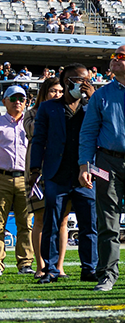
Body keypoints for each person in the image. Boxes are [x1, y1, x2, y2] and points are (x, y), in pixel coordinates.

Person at [78, 45, 125, 291]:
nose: (114, 60)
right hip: (106, 162)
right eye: (113, 57)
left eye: (121, 57)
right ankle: (107, 275)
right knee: (107, 222)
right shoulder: (100, 96)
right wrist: (84, 165)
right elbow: (88, 132)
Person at [30, 63, 98, 284]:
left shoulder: (93, 106)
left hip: (85, 174)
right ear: (65, 81)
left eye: (86, 79)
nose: (83, 83)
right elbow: (38, 139)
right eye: (77, 79)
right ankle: (50, 269)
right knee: (51, 223)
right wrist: (34, 169)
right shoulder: (48, 107)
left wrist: (93, 98)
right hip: (56, 173)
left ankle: (90, 268)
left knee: (89, 224)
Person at [26, 77, 65, 278]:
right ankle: (41, 266)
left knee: (63, 220)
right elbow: (34, 132)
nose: (57, 95)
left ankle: (59, 266)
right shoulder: (32, 113)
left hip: (61, 169)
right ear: (44, 92)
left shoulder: (66, 111)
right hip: (38, 171)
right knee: (40, 218)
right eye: (53, 91)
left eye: (60, 91)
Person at [0, 85, 31, 276]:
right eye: (13, 98)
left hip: (25, 178)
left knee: (26, 224)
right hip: (1, 177)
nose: (17, 102)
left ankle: (25, 263)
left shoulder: (31, 123)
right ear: (4, 101)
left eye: (21, 98)